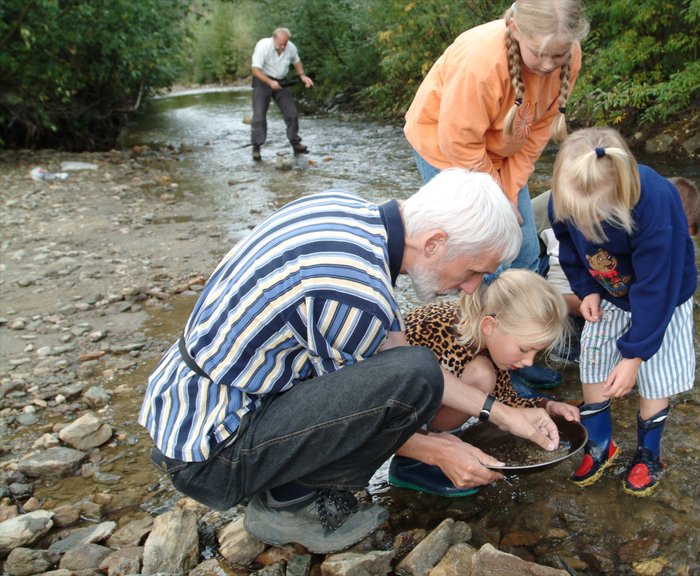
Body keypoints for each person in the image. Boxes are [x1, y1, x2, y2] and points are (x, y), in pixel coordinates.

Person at [139, 169, 563, 554]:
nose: (471, 288)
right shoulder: (354, 296)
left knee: (414, 372)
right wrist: (438, 452)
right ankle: (287, 503)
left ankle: (287, 489)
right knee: (414, 375)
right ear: (435, 243)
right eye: (474, 271)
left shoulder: (348, 215)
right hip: (214, 456)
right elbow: (364, 415)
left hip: (188, 408)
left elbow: (394, 354)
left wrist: (503, 413)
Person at [549, 127, 699, 497]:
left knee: (655, 374)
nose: (585, 227)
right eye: (578, 217)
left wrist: (634, 356)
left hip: (665, 294)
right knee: (594, 358)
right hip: (609, 289)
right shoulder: (566, 196)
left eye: (596, 220)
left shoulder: (656, 205)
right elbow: (567, 247)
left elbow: (655, 287)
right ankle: (600, 445)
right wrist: (585, 290)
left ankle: (649, 455)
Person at [403, 0, 589, 272]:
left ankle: (522, 310)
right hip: (446, 149)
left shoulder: (569, 55)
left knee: (524, 251)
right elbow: (460, 143)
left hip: (503, 150)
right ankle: (483, 311)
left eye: (557, 55)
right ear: (515, 29)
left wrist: (510, 192)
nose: (549, 65)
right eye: (538, 53)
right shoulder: (479, 64)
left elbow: (536, 134)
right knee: (486, 254)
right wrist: (497, 197)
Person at [392, 268, 581, 496]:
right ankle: (411, 461)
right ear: (490, 326)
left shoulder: (488, 340)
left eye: (535, 353)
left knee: (484, 376)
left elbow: (502, 398)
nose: (529, 362)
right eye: (524, 349)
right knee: (482, 375)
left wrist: (548, 406)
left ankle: (435, 442)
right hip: (392, 413)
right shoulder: (433, 328)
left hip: (420, 406)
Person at [531, 174, 700, 365]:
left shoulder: (646, 219)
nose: (675, 251)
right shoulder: (579, 216)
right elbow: (559, 289)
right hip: (537, 266)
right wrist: (612, 313)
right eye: (673, 241)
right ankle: (563, 348)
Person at [250, 27, 314, 161]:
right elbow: (255, 70)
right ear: (274, 38)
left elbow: (297, 61)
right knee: (259, 116)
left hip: (281, 82)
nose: (284, 46)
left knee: (292, 114)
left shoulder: (290, 47)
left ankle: (295, 143)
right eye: (281, 44)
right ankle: (256, 146)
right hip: (263, 81)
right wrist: (269, 82)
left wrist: (302, 76)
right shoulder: (263, 45)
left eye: (286, 43)